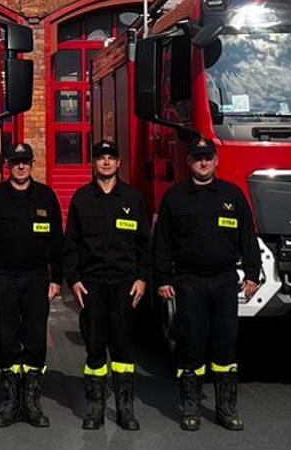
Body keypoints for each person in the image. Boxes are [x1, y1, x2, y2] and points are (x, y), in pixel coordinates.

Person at [153, 137, 261, 432]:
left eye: (208, 158)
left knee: (225, 343)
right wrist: (162, 278)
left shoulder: (232, 195)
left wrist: (252, 274)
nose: (203, 163)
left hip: (225, 280)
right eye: (198, 158)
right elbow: (162, 242)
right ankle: (190, 406)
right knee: (191, 343)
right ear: (189, 162)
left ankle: (226, 408)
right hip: (189, 281)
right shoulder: (175, 198)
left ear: (216, 161)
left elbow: (248, 237)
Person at [0, 142, 62, 428]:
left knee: (36, 340)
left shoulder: (46, 196)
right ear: (8, 166)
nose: (21, 166)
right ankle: (10, 403)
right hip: (3, 278)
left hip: (37, 279)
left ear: (32, 164)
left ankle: (32, 403)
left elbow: (57, 242)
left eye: (25, 161)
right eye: (16, 162)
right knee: (5, 338)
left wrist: (57, 278)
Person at [63, 139, 149, 431]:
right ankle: (95, 408)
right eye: (101, 157)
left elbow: (144, 243)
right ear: (94, 163)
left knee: (123, 349)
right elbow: (71, 244)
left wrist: (142, 278)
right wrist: (74, 280)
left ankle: (125, 409)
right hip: (93, 285)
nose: (107, 162)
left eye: (111, 157)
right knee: (95, 349)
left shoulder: (133, 198)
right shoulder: (82, 198)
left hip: (125, 284)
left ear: (119, 163)